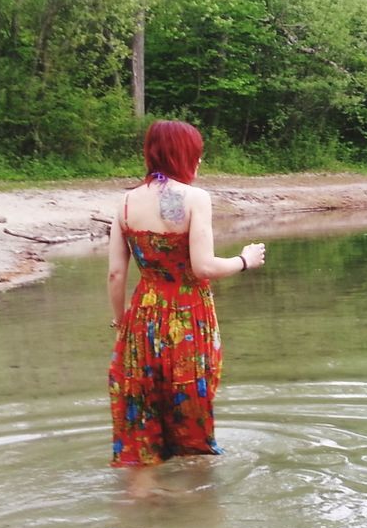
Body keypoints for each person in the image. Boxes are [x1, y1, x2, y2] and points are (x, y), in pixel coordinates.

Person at [107, 119, 265, 498]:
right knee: (191, 407)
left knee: (140, 411)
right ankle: (197, 508)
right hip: (188, 316)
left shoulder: (125, 203)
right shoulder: (196, 199)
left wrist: (120, 321)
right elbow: (204, 267)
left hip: (142, 317)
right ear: (186, 155)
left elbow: (115, 274)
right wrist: (245, 260)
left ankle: (141, 502)